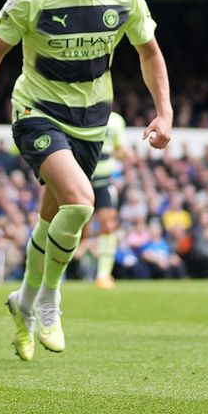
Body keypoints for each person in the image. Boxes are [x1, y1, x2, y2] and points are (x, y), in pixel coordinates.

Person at [0, 0, 173, 361]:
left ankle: (21, 302)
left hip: (92, 122)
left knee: (50, 220)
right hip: (36, 112)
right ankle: (48, 301)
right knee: (81, 202)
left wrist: (165, 112)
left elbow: (150, 53)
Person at [92, 111, 128, 289]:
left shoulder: (116, 120)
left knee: (108, 225)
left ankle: (103, 275)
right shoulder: (81, 111)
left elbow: (119, 148)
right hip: (80, 177)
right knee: (70, 223)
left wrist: (125, 156)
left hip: (104, 180)